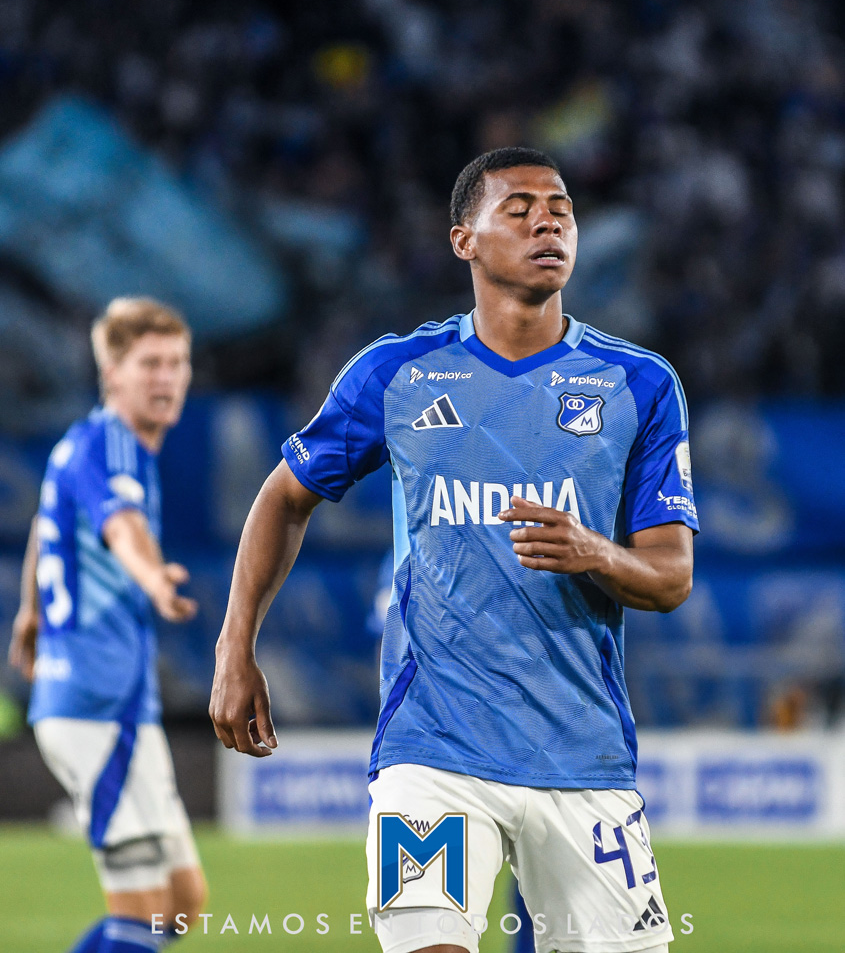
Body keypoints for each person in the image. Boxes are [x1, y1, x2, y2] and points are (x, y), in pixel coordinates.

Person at [209, 147, 698, 953]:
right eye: (519, 211)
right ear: (463, 240)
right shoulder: (397, 373)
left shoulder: (637, 383)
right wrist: (235, 648)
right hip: (432, 746)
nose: (547, 224)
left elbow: (671, 577)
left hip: (581, 755)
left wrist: (595, 553)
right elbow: (283, 497)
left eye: (561, 210)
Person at [8, 297, 207, 953]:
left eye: (176, 362)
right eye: (150, 364)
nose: (166, 378)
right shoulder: (112, 445)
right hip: (94, 704)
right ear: (111, 373)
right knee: (142, 916)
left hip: (119, 704)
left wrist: (30, 611)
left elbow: (45, 523)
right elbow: (124, 529)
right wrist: (154, 580)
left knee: (182, 905)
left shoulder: (85, 444)